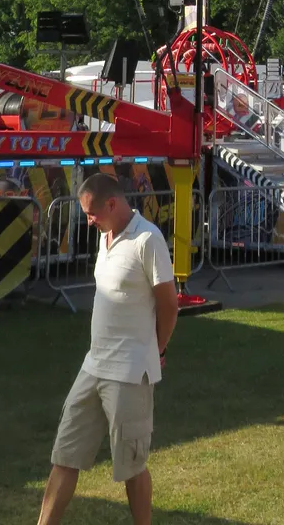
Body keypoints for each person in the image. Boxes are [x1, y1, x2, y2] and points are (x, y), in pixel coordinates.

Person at [38, 173, 179, 525]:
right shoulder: (106, 238)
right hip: (93, 366)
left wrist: (156, 349)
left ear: (112, 204)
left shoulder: (149, 238)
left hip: (131, 372)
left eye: (92, 213)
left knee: (132, 466)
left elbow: (169, 305)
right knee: (64, 454)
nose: (88, 220)